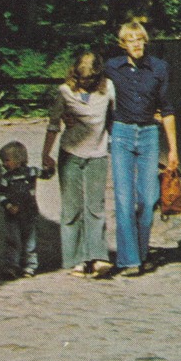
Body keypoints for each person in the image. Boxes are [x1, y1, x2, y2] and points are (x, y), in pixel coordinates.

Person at [104, 22, 179, 277]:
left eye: (140, 39)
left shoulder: (159, 68)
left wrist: (172, 150)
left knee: (147, 200)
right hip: (122, 133)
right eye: (130, 40)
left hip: (148, 135)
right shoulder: (112, 67)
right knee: (124, 200)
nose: (136, 44)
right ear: (122, 44)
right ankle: (129, 260)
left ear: (145, 41)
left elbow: (167, 109)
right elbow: (92, 88)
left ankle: (142, 253)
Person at [42, 50, 114, 277]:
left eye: (91, 79)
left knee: (95, 207)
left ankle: (98, 256)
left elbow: (114, 117)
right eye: (82, 79)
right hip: (71, 153)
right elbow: (53, 123)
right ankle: (76, 259)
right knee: (72, 208)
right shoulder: (64, 92)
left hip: (97, 154)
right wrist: (46, 154)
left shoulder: (108, 89)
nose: (86, 83)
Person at [0, 141, 43, 278]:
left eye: (6, 160)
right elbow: (1, 195)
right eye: (2, 161)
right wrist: (9, 206)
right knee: (13, 240)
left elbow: (45, 174)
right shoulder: (6, 178)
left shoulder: (31, 172)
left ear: (19, 160)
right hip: (13, 215)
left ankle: (30, 266)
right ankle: (12, 266)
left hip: (29, 212)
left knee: (30, 241)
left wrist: (50, 167)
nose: (4, 164)